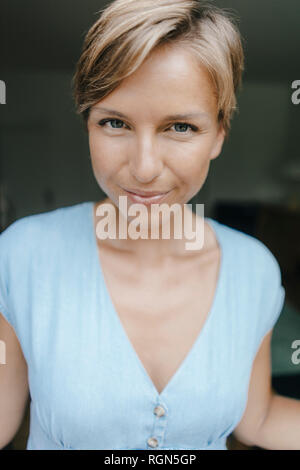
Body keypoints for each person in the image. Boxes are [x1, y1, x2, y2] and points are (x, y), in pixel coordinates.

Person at [0, 0, 299, 451]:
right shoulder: (23, 254)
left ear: (219, 134)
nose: (143, 168)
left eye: (179, 127)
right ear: (87, 124)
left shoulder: (253, 269)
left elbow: (257, 418)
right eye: (115, 122)